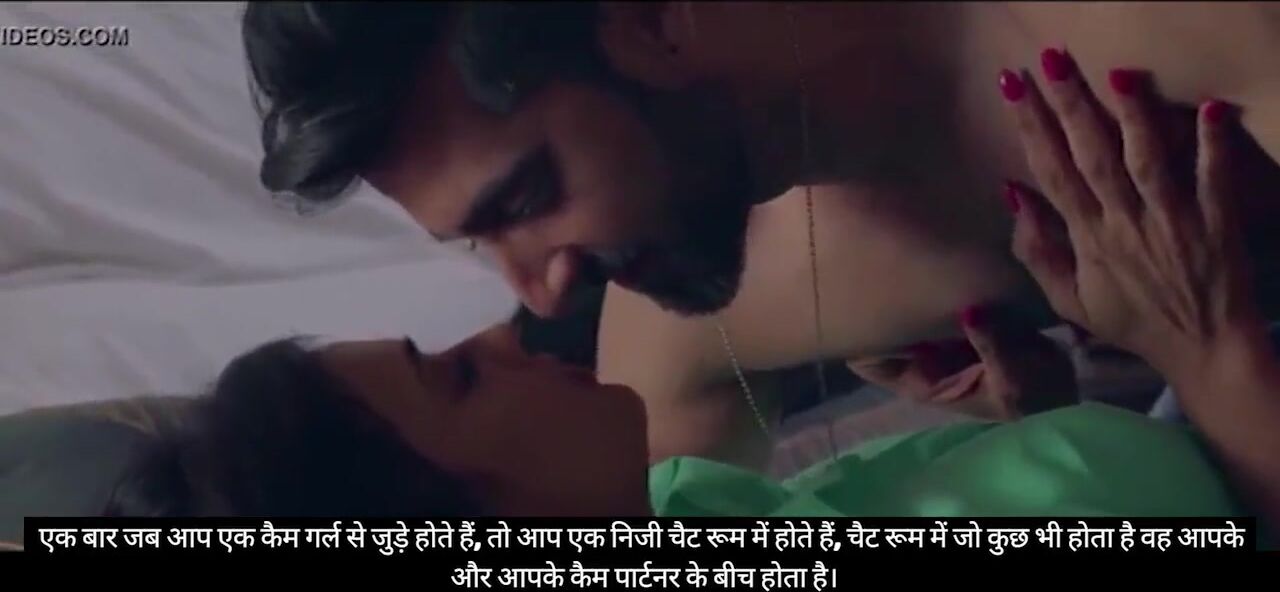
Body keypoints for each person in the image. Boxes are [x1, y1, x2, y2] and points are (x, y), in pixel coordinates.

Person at [3, 66, 1277, 544]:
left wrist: (1029, 422)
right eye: (457, 376)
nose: (502, 323)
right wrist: (1204, 348)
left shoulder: (667, 504)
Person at [241, 3, 1280, 459]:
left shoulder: (1177, 28)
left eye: (522, 200)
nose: (537, 292)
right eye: (478, 243)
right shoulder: (710, 325)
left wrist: (1205, 361)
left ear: (651, 18)